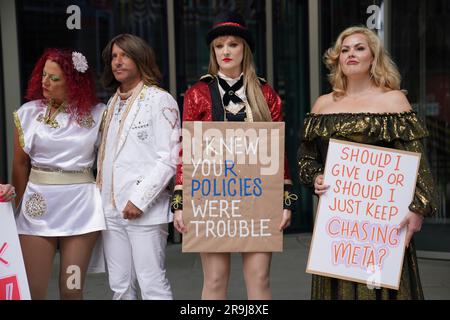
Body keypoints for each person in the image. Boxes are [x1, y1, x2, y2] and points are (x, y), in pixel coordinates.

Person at [297, 26, 437, 300]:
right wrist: (315, 177)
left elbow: (418, 161)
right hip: (339, 224)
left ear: (373, 57)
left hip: (385, 221)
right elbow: (306, 158)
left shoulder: (394, 100)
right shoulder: (323, 104)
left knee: (379, 290)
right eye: (345, 49)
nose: (351, 54)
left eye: (359, 48)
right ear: (337, 58)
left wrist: (418, 208)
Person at [172, 11, 298, 300]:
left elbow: (277, 151)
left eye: (233, 44)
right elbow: (186, 152)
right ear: (212, 52)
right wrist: (180, 203)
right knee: (215, 280)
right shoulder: (196, 94)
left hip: (258, 195)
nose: (225, 51)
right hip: (213, 197)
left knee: (260, 279)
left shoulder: (266, 93)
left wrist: (285, 200)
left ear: (245, 49)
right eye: (219, 46)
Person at [12, 48, 106, 299]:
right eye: (43, 75)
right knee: (33, 290)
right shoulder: (28, 113)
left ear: (74, 83)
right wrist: (17, 207)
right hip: (37, 208)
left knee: (71, 289)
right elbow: (20, 165)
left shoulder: (98, 114)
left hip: (80, 209)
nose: (45, 82)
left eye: (54, 78)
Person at [97, 34, 180, 300]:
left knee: (151, 284)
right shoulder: (111, 103)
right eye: (113, 56)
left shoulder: (160, 100)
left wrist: (139, 199)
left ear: (140, 58)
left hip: (144, 208)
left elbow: (169, 157)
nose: (117, 62)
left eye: (124, 55)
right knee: (119, 285)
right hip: (110, 208)